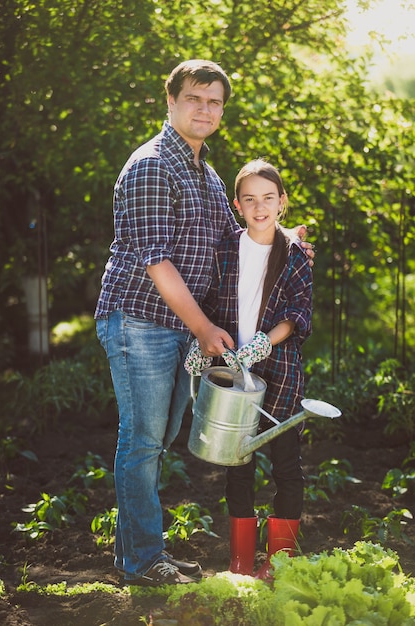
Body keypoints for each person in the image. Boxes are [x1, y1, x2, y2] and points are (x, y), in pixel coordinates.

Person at [95, 59, 314, 587]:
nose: (205, 109)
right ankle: (144, 561)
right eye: (195, 98)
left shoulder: (207, 174)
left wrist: (289, 244)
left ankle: (138, 556)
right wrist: (201, 328)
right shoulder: (152, 165)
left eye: (215, 101)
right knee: (143, 441)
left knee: (156, 438)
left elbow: (239, 239)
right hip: (141, 320)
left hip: (177, 326)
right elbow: (154, 260)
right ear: (169, 101)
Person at [185, 159, 313, 580]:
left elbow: (297, 313)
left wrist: (263, 341)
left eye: (269, 198)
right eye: (250, 199)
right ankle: (240, 561)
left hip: (279, 370)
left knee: (286, 466)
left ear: (282, 203)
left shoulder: (295, 253)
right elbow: (206, 301)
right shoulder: (225, 248)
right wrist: (201, 343)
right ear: (237, 205)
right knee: (238, 465)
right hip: (233, 376)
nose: (260, 207)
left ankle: (279, 564)